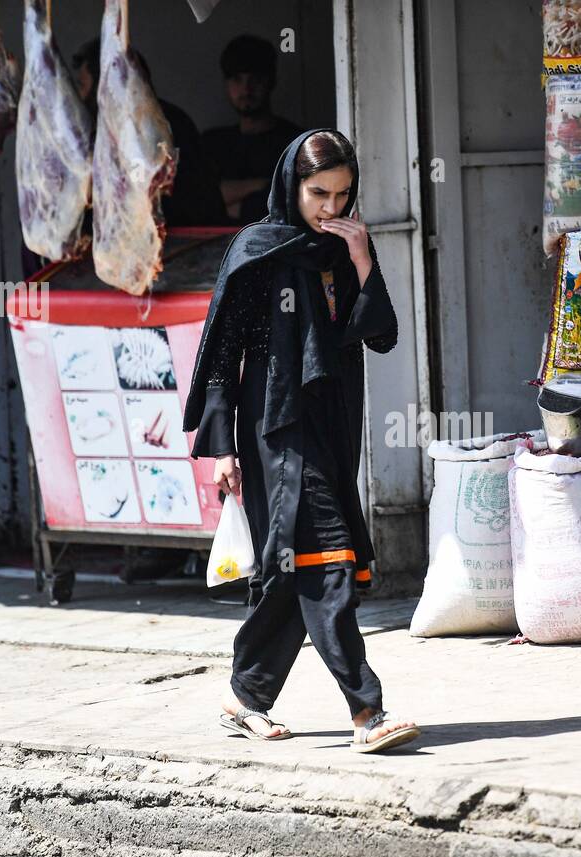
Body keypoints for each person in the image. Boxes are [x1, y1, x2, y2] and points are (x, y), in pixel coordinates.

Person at [182, 129, 420, 754]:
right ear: (292, 185)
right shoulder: (257, 252)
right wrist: (221, 447)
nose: (331, 208)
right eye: (319, 193)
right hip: (274, 431)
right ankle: (366, 709)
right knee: (328, 560)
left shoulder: (343, 250)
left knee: (293, 569)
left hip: (330, 428)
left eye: (343, 195)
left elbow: (384, 335)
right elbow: (219, 357)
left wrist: (365, 260)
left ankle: (246, 694)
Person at [71, 38, 223, 228]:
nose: (81, 97)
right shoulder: (105, 131)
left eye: (83, 86)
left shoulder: (163, 124)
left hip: (178, 242)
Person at [201, 35, 303, 225]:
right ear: (226, 84)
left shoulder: (295, 142)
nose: (246, 89)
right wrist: (262, 185)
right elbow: (202, 199)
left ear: (271, 81)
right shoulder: (212, 143)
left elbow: (292, 206)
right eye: (237, 79)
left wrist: (235, 201)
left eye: (255, 79)